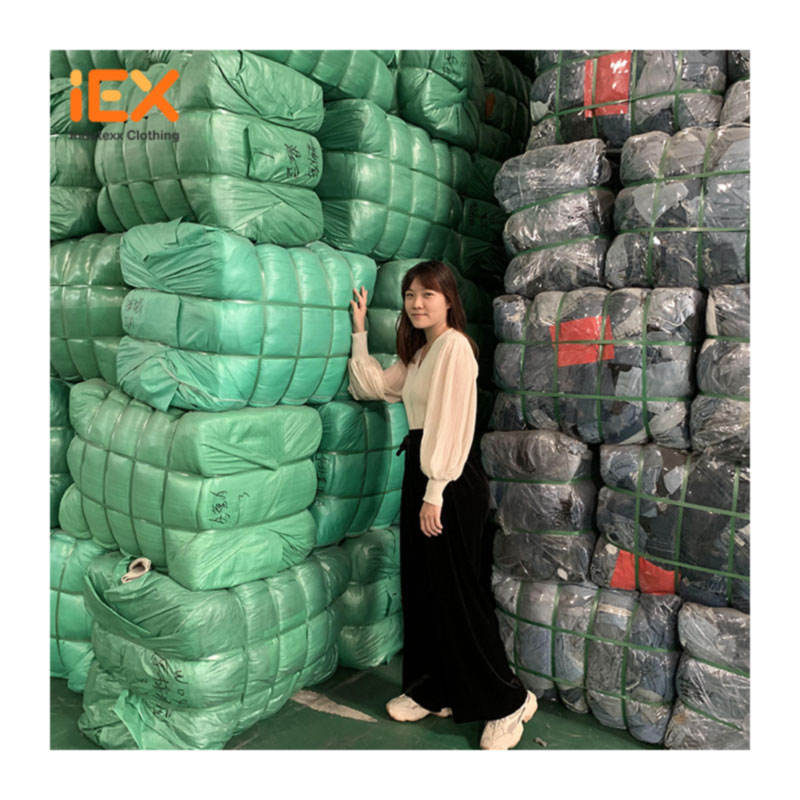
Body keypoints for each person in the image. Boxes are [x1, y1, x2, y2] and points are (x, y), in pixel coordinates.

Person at [347, 260, 537, 751]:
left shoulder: (454, 347)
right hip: (423, 471)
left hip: (448, 478)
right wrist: (359, 331)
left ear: (449, 300)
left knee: (458, 593)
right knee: (424, 586)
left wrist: (435, 492)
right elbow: (373, 387)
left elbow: (453, 424)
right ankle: (433, 690)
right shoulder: (421, 353)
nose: (416, 303)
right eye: (410, 294)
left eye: (427, 294)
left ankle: (508, 701)